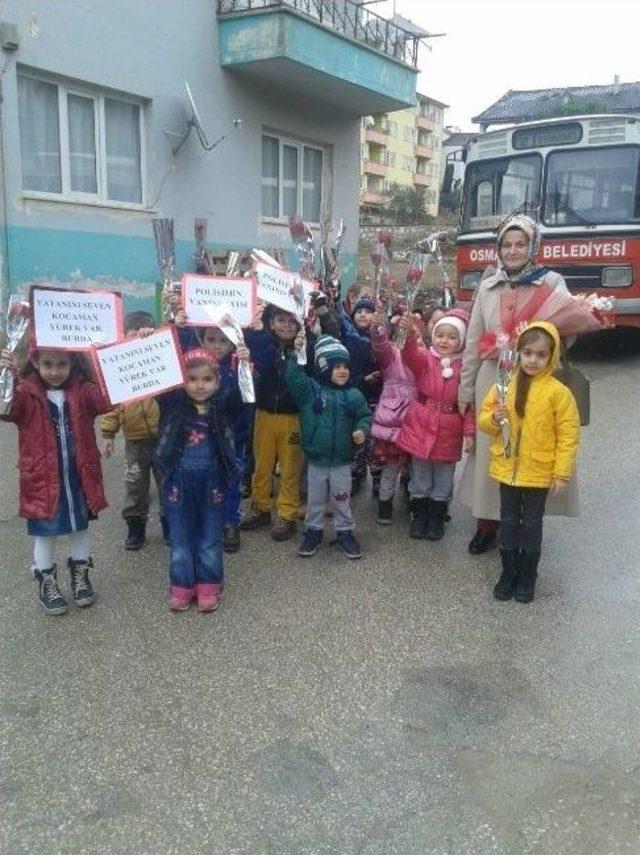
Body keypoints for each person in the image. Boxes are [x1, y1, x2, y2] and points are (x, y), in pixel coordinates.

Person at [458, 214, 578, 555]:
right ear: (498, 249)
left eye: (520, 244)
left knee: (527, 448)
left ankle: (526, 520)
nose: (513, 251)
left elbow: (567, 332)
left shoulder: (552, 282)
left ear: (533, 247)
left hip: (534, 381)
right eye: (506, 244)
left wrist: (554, 342)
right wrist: (465, 391)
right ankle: (488, 522)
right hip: (490, 380)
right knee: (491, 451)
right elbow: (472, 342)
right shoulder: (486, 285)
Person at [0, 345, 110, 615]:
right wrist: (6, 373)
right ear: (35, 363)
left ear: (73, 362)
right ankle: (46, 581)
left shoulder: (84, 390)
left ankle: (81, 575)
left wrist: (107, 358)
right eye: (47, 364)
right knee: (45, 534)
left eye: (62, 364)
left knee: (79, 528)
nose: (55, 371)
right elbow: (5, 408)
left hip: (79, 475)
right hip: (41, 479)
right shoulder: (25, 392)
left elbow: (108, 400)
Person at [478, 322, 580, 603]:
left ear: (552, 357)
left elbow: (568, 436)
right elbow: (484, 420)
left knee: (532, 523)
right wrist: (494, 420)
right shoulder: (504, 384)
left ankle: (527, 574)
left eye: (541, 355)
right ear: (519, 353)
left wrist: (561, 473)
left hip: (538, 471)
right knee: (509, 520)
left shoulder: (558, 393)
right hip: (507, 468)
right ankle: (508, 572)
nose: (533, 360)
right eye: (528, 353)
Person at [154, 347, 245, 612]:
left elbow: (242, 399)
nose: (199, 385)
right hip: (178, 484)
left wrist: (244, 365)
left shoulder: (224, 406)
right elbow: (158, 383)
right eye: (192, 379)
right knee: (181, 538)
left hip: (213, 483)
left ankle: (209, 585)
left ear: (218, 381)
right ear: (181, 380)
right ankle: (181, 585)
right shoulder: (173, 404)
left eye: (207, 379)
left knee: (210, 537)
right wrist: (150, 339)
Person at [285, 334, 371, 559]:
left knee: (342, 498)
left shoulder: (353, 395)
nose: (342, 371)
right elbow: (294, 378)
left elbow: (364, 416)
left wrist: (361, 430)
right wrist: (297, 353)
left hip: (342, 459)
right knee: (315, 500)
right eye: (336, 366)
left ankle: (345, 531)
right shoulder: (310, 391)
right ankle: (313, 531)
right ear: (323, 368)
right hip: (317, 459)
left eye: (345, 366)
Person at [396, 309, 475, 541]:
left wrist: (470, 432)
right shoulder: (425, 358)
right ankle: (418, 515)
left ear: (461, 340)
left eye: (452, 337)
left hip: (450, 429)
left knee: (443, 477)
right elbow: (409, 355)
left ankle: (437, 517)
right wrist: (410, 333)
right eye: (441, 335)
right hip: (422, 422)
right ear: (433, 335)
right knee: (420, 474)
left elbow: (469, 403)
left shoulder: (465, 368)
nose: (445, 341)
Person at [100, 311, 163, 551]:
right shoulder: (119, 368)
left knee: (168, 485)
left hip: (163, 438)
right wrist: (107, 435)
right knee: (135, 487)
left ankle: (170, 525)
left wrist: (155, 340)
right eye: (131, 337)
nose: (136, 342)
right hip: (135, 444)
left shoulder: (159, 360)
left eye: (142, 336)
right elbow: (111, 406)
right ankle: (135, 527)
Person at [242, 303, 303, 541]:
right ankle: (261, 506)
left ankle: (287, 513)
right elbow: (264, 360)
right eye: (281, 320)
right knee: (262, 464)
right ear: (271, 323)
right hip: (264, 413)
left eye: (292, 321)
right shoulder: (265, 344)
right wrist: (257, 332)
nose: (287, 325)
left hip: (292, 417)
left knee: (289, 468)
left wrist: (311, 335)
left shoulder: (305, 347)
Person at [369, 304, 416, 525]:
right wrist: (377, 327)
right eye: (402, 331)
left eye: (410, 331)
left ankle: (412, 498)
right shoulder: (391, 355)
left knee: (414, 467)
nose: (405, 336)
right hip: (393, 419)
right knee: (391, 467)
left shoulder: (422, 354)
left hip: (415, 420)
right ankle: (385, 503)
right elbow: (380, 345)